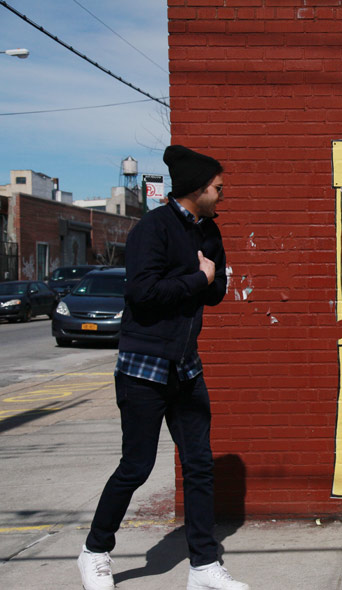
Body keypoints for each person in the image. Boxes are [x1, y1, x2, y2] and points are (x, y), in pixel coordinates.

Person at [77, 145, 249, 590]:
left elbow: (216, 291)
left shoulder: (209, 231)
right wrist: (198, 278)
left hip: (185, 367)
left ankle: (203, 566)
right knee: (136, 466)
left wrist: (209, 279)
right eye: (218, 188)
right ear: (197, 189)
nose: (223, 195)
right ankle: (94, 551)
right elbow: (143, 294)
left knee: (199, 466)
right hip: (143, 367)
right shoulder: (151, 230)